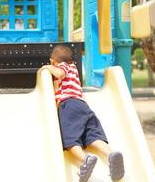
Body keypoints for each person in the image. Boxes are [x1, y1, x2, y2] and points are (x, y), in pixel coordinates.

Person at [40, 45, 125, 182]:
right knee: (92, 136)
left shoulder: (62, 67)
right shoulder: (73, 68)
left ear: (53, 61)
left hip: (69, 106)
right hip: (82, 105)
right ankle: (110, 154)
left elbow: (60, 74)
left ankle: (85, 159)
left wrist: (48, 68)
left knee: (70, 139)